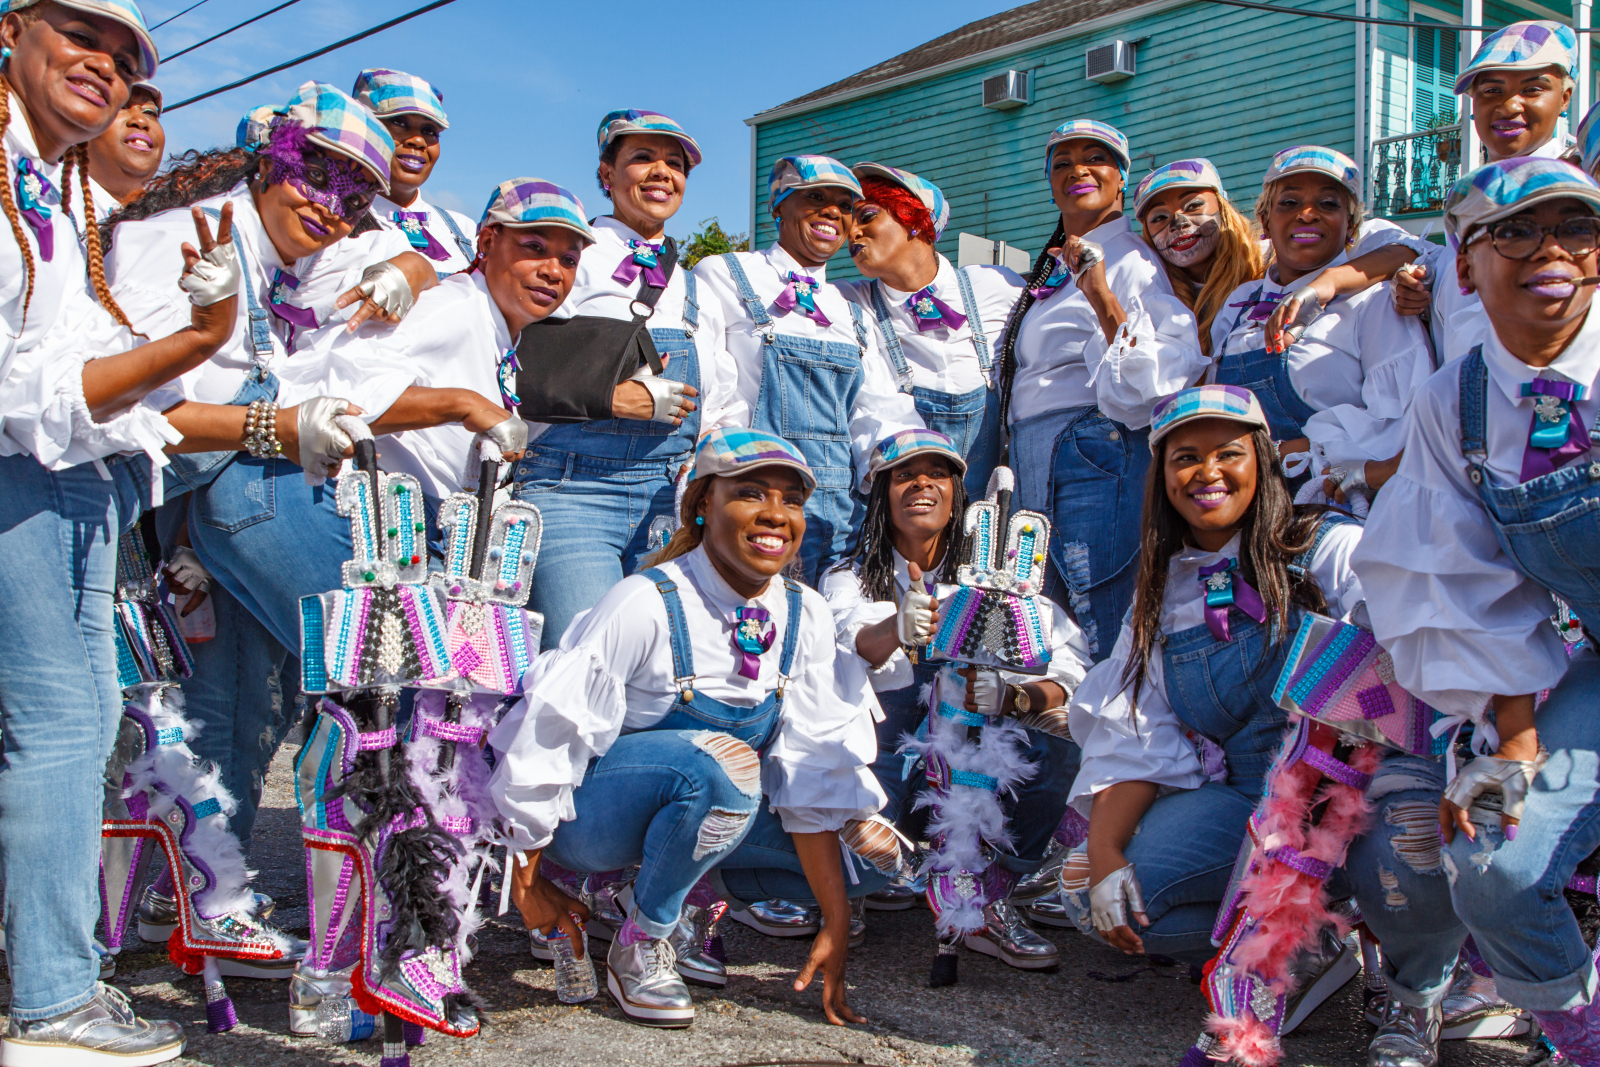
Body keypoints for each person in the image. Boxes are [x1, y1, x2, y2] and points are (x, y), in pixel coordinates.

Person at [101, 80, 499, 849]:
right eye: (316, 174)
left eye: (354, 196)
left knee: (244, 708)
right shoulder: (193, 238)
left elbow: (443, 251)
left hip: (214, 505)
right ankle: (388, 898)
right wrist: (272, 427)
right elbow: (124, 406)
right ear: (266, 161)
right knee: (379, 675)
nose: (331, 205)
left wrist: (413, 268)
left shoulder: (287, 259)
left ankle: (203, 897)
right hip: (148, 509)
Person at [0, 0, 249, 1060]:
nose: (107, 67)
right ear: (13, 30)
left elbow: (85, 350)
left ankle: (54, 985)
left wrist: (184, 338)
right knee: (60, 726)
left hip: (72, 480)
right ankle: (54, 998)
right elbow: (26, 386)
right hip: (29, 472)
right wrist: (198, 339)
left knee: (71, 723)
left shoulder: (48, 186)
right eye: (83, 37)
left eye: (131, 58)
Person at [491, 427, 893, 1028]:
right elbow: (547, 737)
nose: (776, 515)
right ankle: (642, 940)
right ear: (703, 504)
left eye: (792, 500)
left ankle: (658, 891)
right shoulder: (644, 601)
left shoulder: (804, 612)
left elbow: (810, 771)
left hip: (707, 802)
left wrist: (836, 929)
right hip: (591, 825)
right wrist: (527, 882)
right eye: (752, 493)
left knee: (871, 861)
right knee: (723, 766)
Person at [1351, 157, 1600, 1067]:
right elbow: (1462, 579)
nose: (1554, 251)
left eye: (1576, 226)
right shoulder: (1449, 405)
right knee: (1493, 864)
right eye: (1519, 230)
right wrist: (1516, 745)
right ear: (1466, 264)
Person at [1064, 385, 1364, 1024]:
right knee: (1090, 896)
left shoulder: (1327, 547)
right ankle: (1308, 947)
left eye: (1227, 453)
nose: (1206, 473)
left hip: (1353, 803)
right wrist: (1106, 857)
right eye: (1184, 458)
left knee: (1409, 858)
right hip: (1247, 806)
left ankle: (1406, 967)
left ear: (1261, 460)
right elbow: (1135, 728)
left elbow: (1408, 655)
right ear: (1162, 478)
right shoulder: (1161, 588)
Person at [820, 428, 1089, 968]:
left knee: (1061, 738)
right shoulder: (848, 578)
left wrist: (1019, 697)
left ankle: (989, 897)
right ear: (881, 495)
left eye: (937, 473)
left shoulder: (1008, 576)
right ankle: (859, 888)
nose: (921, 483)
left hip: (980, 765)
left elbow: (1069, 662)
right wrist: (898, 626)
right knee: (841, 786)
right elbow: (848, 641)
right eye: (904, 475)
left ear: (957, 494)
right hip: (888, 758)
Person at [515, 109, 734, 649]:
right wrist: (608, 396)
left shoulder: (695, 287)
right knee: (585, 663)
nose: (662, 172)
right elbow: (504, 360)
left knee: (658, 669)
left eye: (676, 164)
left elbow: (723, 398)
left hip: (667, 500)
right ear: (606, 174)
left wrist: (705, 453)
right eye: (643, 158)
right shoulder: (570, 257)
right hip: (572, 491)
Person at [998, 119, 1205, 662]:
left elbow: (1164, 371)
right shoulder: (1057, 262)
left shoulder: (1132, 257)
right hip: (1040, 453)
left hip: (1093, 449)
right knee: (1044, 619)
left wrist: (1102, 296)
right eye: (1061, 163)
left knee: (1101, 618)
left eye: (1095, 158)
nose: (1077, 170)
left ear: (1121, 179)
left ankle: (1115, 741)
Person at [693, 154, 923, 584]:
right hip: (759, 498)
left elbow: (874, 408)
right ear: (779, 205)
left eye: (844, 205)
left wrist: (908, 462)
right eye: (815, 197)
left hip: (840, 512)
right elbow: (711, 388)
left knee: (831, 634)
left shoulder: (851, 308)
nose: (832, 212)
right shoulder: (725, 274)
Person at [1208, 146, 1435, 500]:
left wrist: (1290, 450)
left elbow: (1404, 425)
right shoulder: (1239, 301)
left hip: (1327, 505)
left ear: (1351, 227)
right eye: (1289, 203)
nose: (1307, 214)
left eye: (1328, 204)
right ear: (1266, 220)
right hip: (1241, 506)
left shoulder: (1375, 302)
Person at [1387, 21, 1578, 360]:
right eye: (1492, 90)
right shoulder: (1468, 200)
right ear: (1473, 102)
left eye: (1533, 89)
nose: (1509, 106)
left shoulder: (1579, 192)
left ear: (1564, 98)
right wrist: (1423, 288)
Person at [837, 163, 1017, 499]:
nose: (852, 234)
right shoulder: (848, 302)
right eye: (849, 223)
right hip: (902, 521)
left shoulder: (994, 287)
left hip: (985, 521)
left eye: (867, 216)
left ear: (915, 220)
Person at [351, 67, 477, 277]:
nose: (418, 141)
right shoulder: (333, 220)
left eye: (430, 131)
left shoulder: (464, 230)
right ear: (362, 129)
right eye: (399, 123)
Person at [76, 76, 158, 222]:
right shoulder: (49, 200)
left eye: (150, 112)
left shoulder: (164, 221)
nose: (140, 120)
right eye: (121, 106)